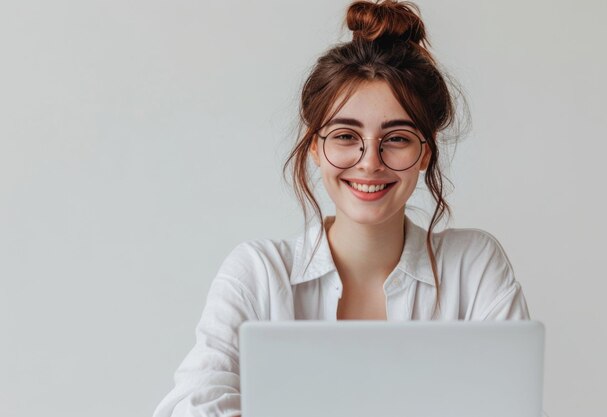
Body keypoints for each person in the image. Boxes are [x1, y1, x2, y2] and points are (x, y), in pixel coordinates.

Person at [153, 1, 530, 416]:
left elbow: (513, 407)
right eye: (346, 135)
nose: (370, 161)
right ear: (315, 146)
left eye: (398, 138)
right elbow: (189, 405)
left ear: (425, 153)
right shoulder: (258, 273)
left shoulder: (473, 267)